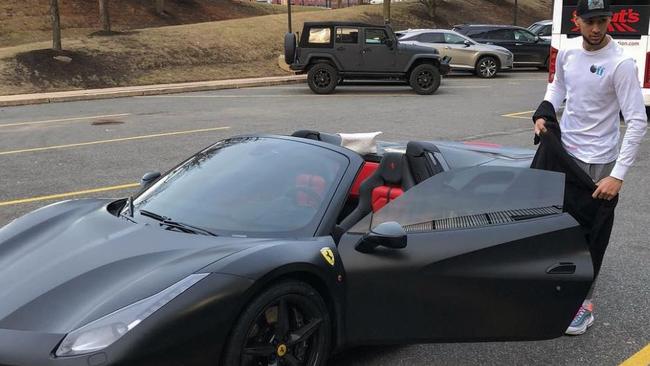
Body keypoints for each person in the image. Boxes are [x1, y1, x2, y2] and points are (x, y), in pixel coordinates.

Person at [533, 0, 647, 335]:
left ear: (610, 21)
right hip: (566, 154)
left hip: (599, 163)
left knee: (591, 233)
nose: (596, 29)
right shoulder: (568, 53)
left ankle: (584, 304)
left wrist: (618, 175)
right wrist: (544, 111)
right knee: (558, 226)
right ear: (577, 21)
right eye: (589, 21)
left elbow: (637, 122)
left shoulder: (621, 64)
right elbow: (558, 88)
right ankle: (556, 286)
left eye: (602, 21)